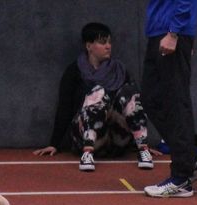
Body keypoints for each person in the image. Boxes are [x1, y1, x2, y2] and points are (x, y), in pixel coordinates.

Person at [34, 22, 153, 173]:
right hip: (86, 139)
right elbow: (65, 107)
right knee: (99, 92)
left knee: (130, 91)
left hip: (115, 141)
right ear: (89, 46)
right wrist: (54, 143)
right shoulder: (74, 71)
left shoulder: (120, 71)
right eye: (102, 42)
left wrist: (141, 141)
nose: (108, 46)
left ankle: (143, 149)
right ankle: (87, 154)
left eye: (109, 42)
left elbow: (135, 107)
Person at [141, 0, 197, 198]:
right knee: (151, 99)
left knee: (175, 102)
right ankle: (191, 158)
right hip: (159, 32)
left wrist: (175, 33)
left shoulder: (173, 31)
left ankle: (181, 177)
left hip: (170, 32)